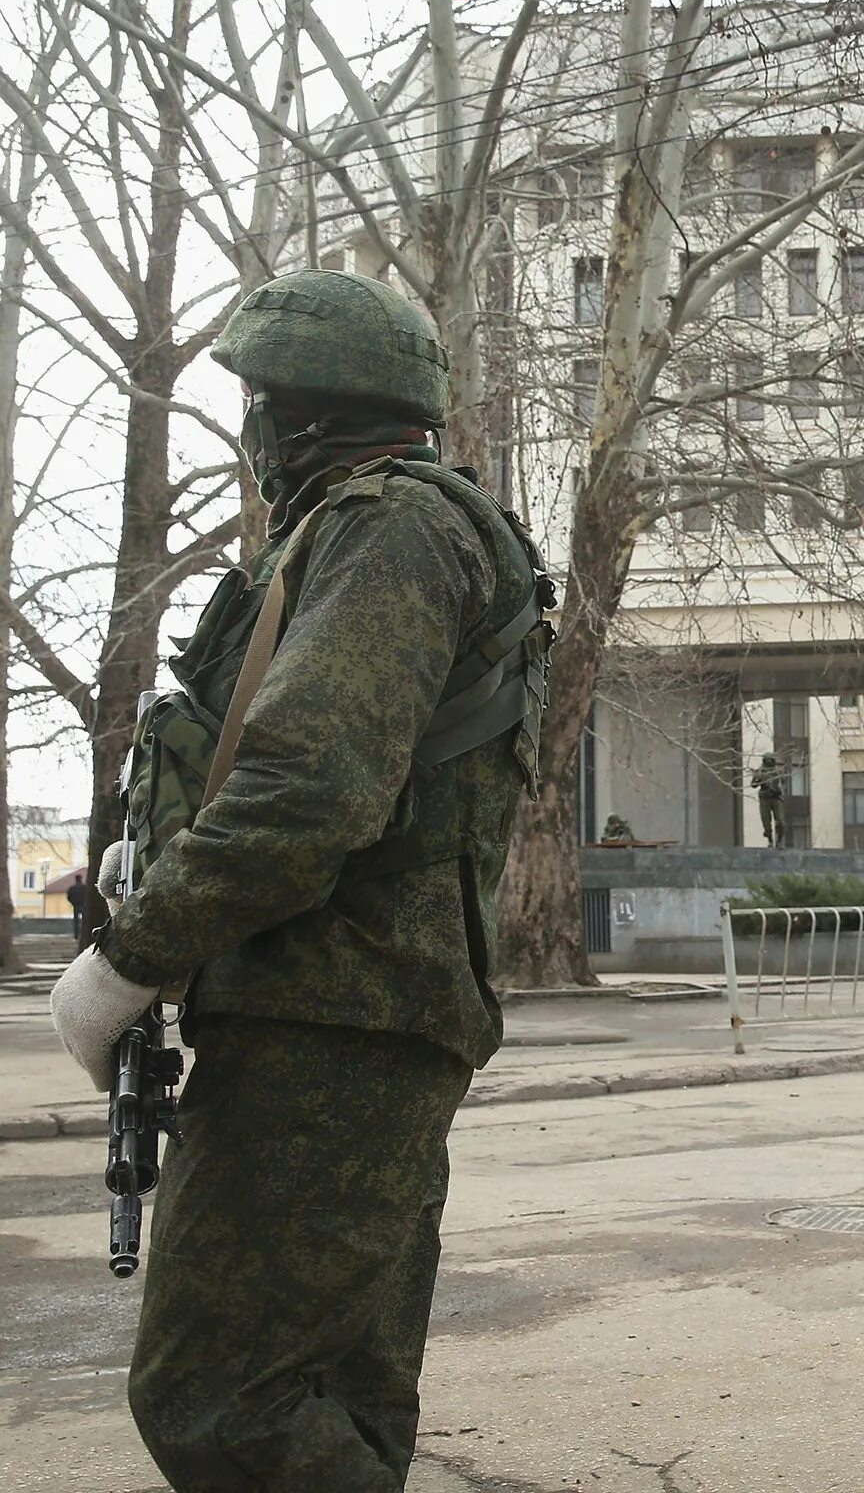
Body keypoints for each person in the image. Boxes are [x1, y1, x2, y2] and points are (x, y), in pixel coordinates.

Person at [48, 269, 550, 1488]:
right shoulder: (376, 529)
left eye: (257, 403)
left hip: (333, 1021)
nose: (251, 431)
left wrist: (127, 961)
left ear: (296, 413)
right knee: (337, 1387)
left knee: (217, 1396)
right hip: (357, 1013)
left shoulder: (394, 526)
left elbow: (308, 789)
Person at [753, 753, 787, 848]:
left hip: (776, 798)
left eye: (770, 760)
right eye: (766, 760)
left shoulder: (778, 771)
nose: (768, 762)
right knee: (766, 821)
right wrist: (758, 779)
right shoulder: (760, 771)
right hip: (765, 798)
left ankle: (779, 840)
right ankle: (770, 841)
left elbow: (783, 783)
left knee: (780, 821)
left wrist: (778, 790)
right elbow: (753, 785)